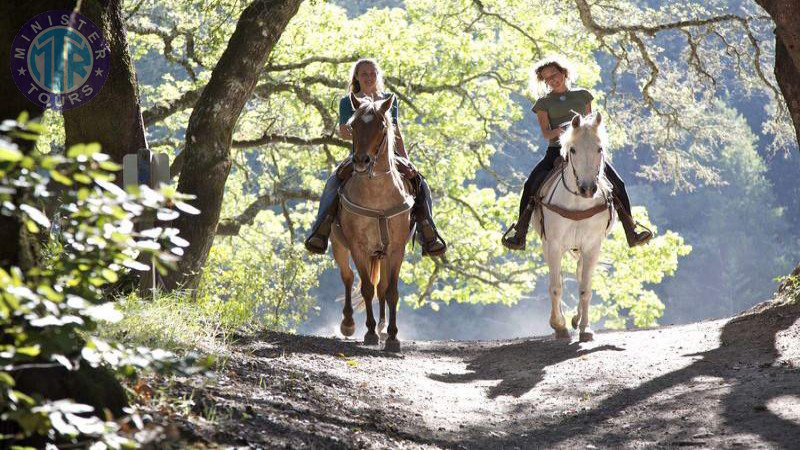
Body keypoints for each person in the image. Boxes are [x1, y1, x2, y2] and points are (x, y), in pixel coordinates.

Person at [502, 57, 652, 250]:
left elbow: (590, 124)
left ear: (563, 73)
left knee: (618, 184)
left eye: (554, 75)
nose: (552, 80)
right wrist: (561, 132)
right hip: (557, 151)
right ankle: (520, 232)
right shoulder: (543, 103)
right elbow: (546, 133)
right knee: (531, 183)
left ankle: (631, 230)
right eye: (547, 79)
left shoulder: (583, 95)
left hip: (585, 150)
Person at [304, 58, 447, 257]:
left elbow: (396, 132)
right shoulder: (349, 101)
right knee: (333, 182)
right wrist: (361, 127)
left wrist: (406, 159)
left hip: (388, 155)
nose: (369, 77)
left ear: (377, 76)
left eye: (372, 73)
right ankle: (321, 229)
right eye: (364, 74)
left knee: (420, 183)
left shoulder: (388, 100)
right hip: (360, 154)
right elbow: (343, 132)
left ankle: (427, 232)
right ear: (357, 77)